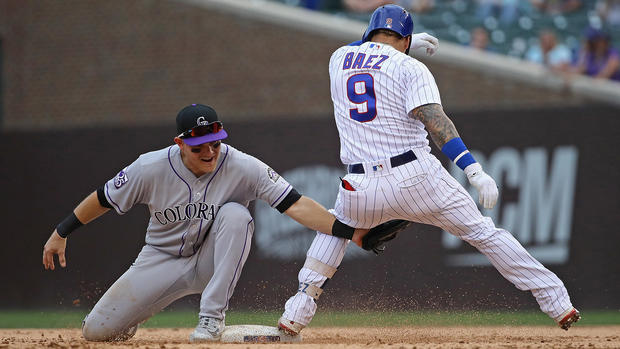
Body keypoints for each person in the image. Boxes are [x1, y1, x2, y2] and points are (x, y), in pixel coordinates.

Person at [277, 4, 581, 336]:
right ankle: (557, 303)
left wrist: (401, 43)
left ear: (370, 34)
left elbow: (358, 48)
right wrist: (473, 169)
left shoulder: (338, 59)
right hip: (416, 177)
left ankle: (297, 311)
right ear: (405, 40)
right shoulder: (411, 68)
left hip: (360, 184)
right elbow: (436, 123)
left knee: (335, 228)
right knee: (483, 233)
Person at [42, 103, 367, 342]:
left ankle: (211, 319)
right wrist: (61, 232)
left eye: (215, 142)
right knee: (95, 332)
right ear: (180, 143)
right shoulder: (149, 168)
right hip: (161, 259)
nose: (211, 151)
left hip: (212, 261)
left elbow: (295, 205)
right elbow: (103, 198)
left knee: (237, 214)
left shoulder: (242, 165)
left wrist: (350, 232)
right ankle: (130, 317)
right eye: (200, 145)